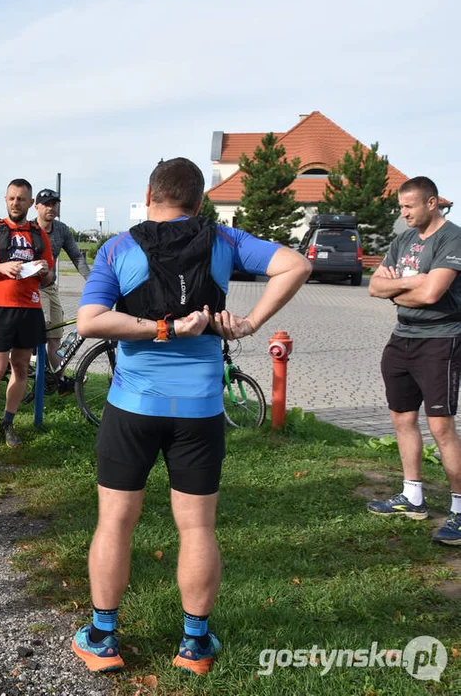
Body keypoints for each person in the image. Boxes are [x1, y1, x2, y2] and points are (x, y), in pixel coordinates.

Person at [71, 157, 309, 675]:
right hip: (200, 410)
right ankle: (195, 646)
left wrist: (161, 329)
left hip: (133, 407)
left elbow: (90, 321)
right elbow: (297, 264)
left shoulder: (119, 247)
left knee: (115, 521)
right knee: (197, 528)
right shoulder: (222, 240)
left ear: (150, 194)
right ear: (200, 202)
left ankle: (103, 639)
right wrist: (247, 323)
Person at [366, 176, 461, 547]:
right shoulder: (403, 240)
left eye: (409, 207)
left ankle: (458, 509)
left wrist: (404, 287)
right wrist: (413, 283)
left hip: (441, 340)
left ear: (432, 203)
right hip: (401, 338)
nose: (403, 213)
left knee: (441, 427)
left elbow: (434, 293)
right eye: (401, 207)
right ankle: (413, 498)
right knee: (402, 418)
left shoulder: (452, 238)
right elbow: (374, 286)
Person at [0, 179, 54, 451]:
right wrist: (2, 268)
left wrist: (43, 272)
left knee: (20, 368)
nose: (16, 203)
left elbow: (49, 276)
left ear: (31, 203)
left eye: (22, 199)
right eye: (12, 198)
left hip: (29, 309)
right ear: (6, 200)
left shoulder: (39, 234)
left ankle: (8, 421)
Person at [32, 188, 91, 377]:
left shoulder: (62, 229)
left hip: (49, 287)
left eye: (54, 204)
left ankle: (58, 378)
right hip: (30, 289)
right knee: (40, 333)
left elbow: (77, 257)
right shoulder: (29, 229)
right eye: (46, 204)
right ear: (36, 207)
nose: (51, 208)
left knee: (56, 335)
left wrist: (92, 282)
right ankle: (26, 365)